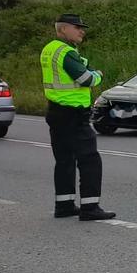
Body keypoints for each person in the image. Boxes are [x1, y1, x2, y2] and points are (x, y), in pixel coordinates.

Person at [40, 14, 116, 220]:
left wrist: (86, 66)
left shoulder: (50, 49)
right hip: (74, 114)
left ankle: (64, 205)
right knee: (90, 159)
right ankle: (90, 208)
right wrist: (98, 75)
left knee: (64, 160)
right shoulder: (66, 52)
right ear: (63, 29)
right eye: (77, 27)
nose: (82, 31)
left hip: (56, 111)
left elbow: (81, 65)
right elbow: (86, 78)